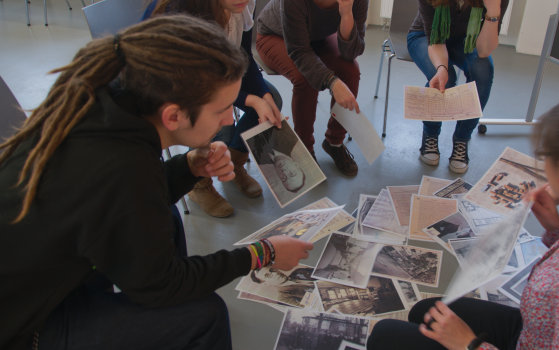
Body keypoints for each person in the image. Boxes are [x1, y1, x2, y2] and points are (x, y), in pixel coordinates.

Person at [0, 15, 313, 350]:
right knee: (205, 315)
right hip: (26, 325)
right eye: (221, 110)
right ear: (173, 116)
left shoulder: (113, 101)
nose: (228, 120)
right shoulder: (122, 163)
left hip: (50, 278)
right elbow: (161, 283)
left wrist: (189, 166)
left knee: (169, 217)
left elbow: (127, 201)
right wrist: (262, 253)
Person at [367, 95, 559, 349]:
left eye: (544, 157)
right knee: (425, 312)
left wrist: (470, 344)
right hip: (538, 330)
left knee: (383, 337)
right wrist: (556, 229)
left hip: (533, 337)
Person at [144, 0, 285, 218]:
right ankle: (199, 184)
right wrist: (252, 101)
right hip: (190, 87)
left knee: (272, 97)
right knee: (219, 128)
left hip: (219, 82)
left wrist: (263, 97)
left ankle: (232, 162)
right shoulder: (185, 17)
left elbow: (244, 57)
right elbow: (199, 87)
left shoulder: (241, 5)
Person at [256, 0, 369, 177]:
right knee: (305, 79)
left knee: (351, 71)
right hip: (276, 35)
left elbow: (352, 51)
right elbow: (299, 51)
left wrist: (346, 12)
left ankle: (334, 143)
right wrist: (332, 82)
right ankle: (305, 150)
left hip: (316, 37)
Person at [409, 0, 508, 173]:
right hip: (425, 36)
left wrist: (493, 10)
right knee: (445, 78)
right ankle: (430, 134)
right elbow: (436, 40)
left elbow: (484, 50)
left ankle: (462, 138)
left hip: (468, 38)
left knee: (483, 70)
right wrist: (442, 68)